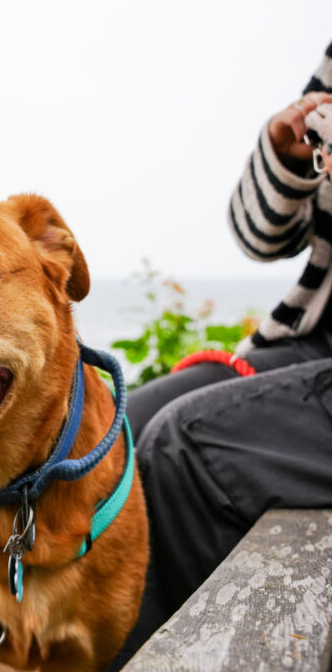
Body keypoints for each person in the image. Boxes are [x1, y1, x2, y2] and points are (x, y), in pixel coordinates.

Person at [112, 41, 332, 667]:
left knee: (188, 443)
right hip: (312, 341)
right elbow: (256, 238)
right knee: (111, 426)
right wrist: (285, 156)